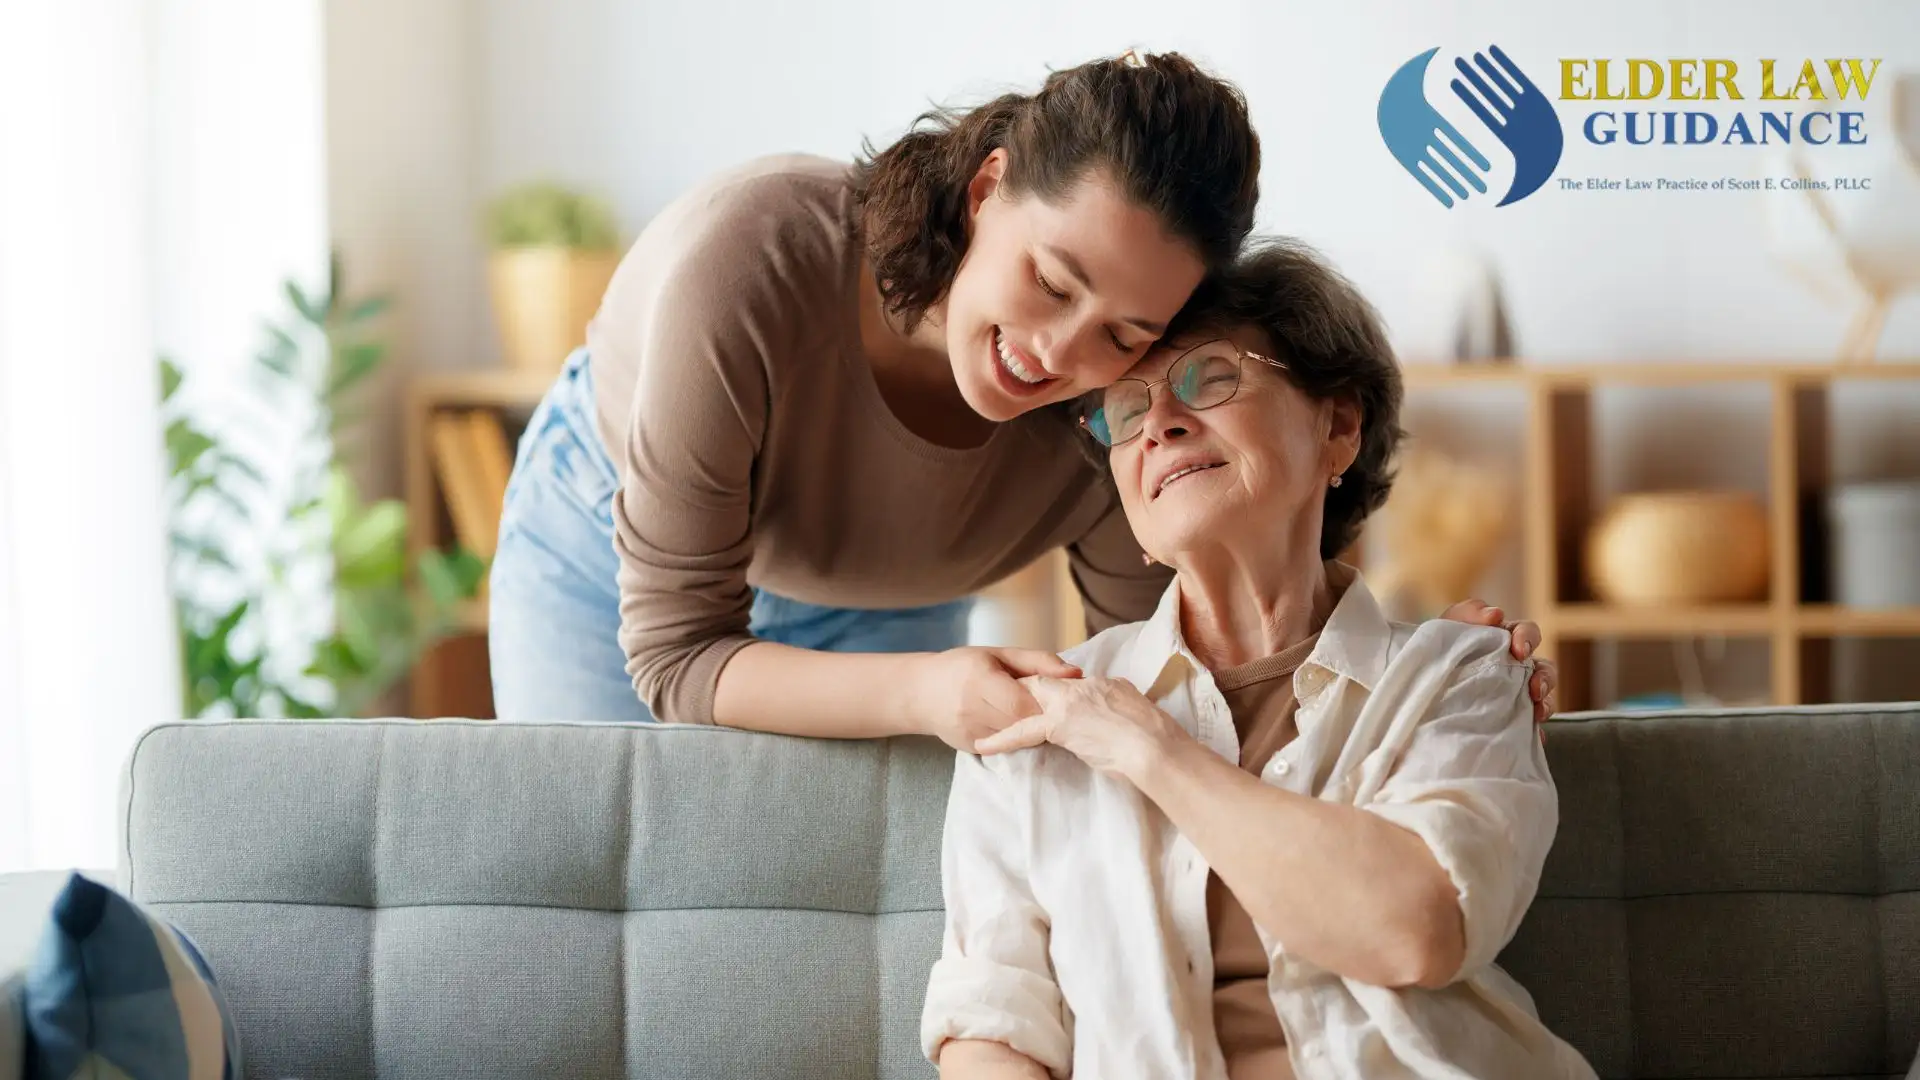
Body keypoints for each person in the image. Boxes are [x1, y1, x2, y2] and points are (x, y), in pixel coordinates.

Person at [487, 50, 1558, 746]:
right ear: (987, 187)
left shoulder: (1118, 414)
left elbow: (1184, 681)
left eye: (1124, 333)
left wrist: (1424, 676)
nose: (1055, 354)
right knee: (587, 884)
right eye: (1051, 281)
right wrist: (925, 693)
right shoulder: (752, 263)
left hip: (888, 603)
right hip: (615, 556)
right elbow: (677, 656)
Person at [923, 240, 1596, 1080]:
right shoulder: (1041, 715)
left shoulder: (1457, 677)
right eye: (1125, 411)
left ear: (1337, 428)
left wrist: (1152, 751)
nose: (1160, 424)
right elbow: (991, 1019)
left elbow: (1416, 931)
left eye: (1209, 378)